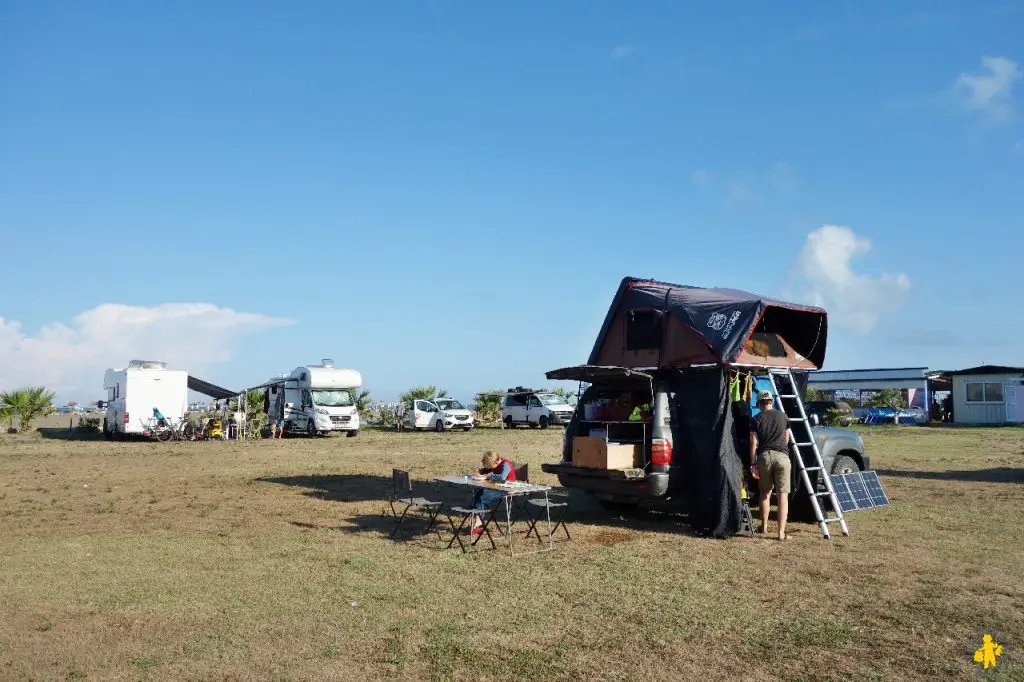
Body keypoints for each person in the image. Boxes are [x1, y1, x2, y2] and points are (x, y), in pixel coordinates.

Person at [749, 389, 795, 541]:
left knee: (765, 493)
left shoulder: (756, 419)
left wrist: (753, 462)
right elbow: (787, 438)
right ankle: (781, 533)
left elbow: (754, 442)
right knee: (783, 496)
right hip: (782, 457)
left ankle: (764, 526)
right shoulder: (783, 416)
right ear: (771, 401)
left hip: (765, 457)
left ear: (759, 403)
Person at [468, 450, 516, 535]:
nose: (491, 468)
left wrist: (487, 477)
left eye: (491, 466)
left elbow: (502, 477)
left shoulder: (506, 465)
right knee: (478, 493)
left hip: (506, 489)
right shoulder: (495, 463)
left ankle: (479, 522)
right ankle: (479, 521)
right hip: (495, 487)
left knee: (482, 497)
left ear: (497, 462)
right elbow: (486, 470)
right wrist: (479, 472)